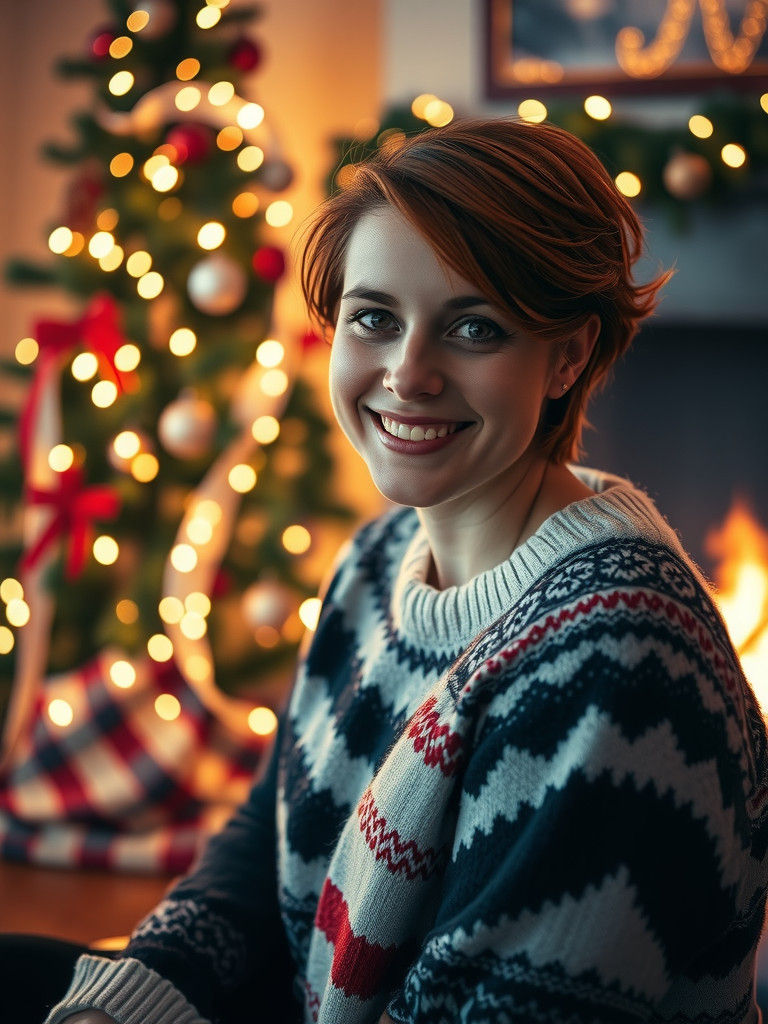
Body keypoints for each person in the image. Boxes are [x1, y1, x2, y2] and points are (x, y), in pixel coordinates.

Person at [33, 117, 768, 1023]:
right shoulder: (379, 557)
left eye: (474, 327)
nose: (407, 374)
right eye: (374, 318)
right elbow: (270, 834)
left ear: (568, 355)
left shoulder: (619, 659)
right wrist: (132, 1000)